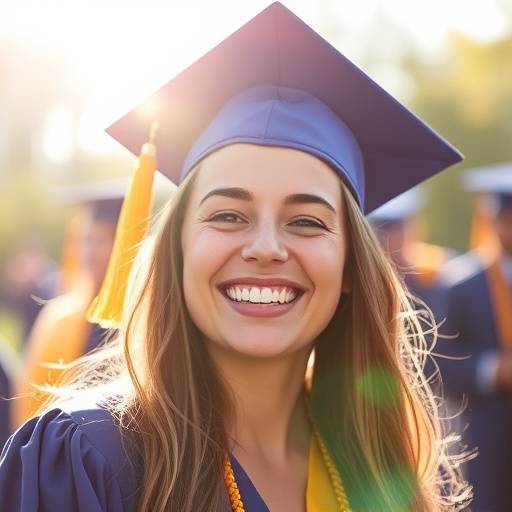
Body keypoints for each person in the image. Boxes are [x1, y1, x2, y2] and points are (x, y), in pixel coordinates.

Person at [0, 3, 471, 511]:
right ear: (178, 248)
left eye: (307, 221)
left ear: (352, 265)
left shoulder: (378, 466)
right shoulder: (91, 459)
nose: (266, 247)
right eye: (228, 216)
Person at [11, 181, 125, 427]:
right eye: (86, 240)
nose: (89, 252)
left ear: (124, 245)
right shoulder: (60, 318)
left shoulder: (143, 318)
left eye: (102, 241)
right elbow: (28, 403)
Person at [437, 162, 512, 512]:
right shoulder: (462, 284)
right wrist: (492, 369)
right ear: (496, 221)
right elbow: (437, 362)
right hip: (488, 435)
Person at [369, 189, 455, 319]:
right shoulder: (367, 272)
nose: (387, 237)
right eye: (381, 228)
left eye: (396, 228)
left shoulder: (436, 269)